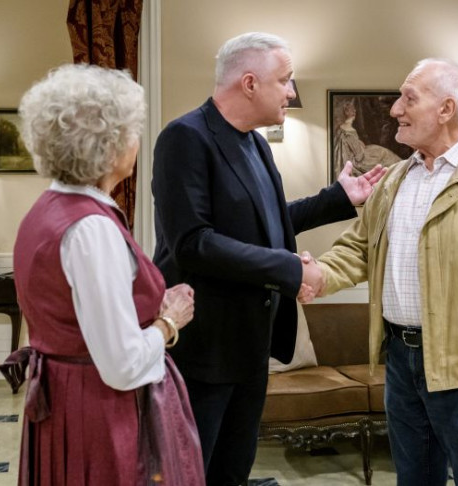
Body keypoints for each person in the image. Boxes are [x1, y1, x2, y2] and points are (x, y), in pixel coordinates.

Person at [303, 58, 458, 486]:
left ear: (445, 109)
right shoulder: (393, 180)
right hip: (401, 366)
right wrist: (318, 275)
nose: (395, 110)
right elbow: (360, 249)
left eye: (408, 98)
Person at [151, 32, 385, 486]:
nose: (292, 91)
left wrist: (338, 198)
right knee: (192, 474)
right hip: (205, 349)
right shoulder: (185, 138)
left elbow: (270, 222)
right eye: (286, 80)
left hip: (252, 348)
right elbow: (192, 242)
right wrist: (290, 270)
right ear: (250, 83)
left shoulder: (256, 144)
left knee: (234, 472)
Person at [0, 64, 205, 485]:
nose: (136, 142)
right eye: (132, 132)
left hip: (63, 401)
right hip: (97, 413)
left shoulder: (44, 211)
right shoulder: (91, 228)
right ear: (109, 147)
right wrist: (169, 321)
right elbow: (122, 365)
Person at [333, 98, 400, 177]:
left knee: (379, 150)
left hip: (357, 152)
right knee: (383, 153)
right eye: (352, 110)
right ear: (348, 113)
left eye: (354, 110)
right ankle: (400, 169)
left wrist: (360, 143)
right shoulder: (349, 130)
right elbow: (359, 156)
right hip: (360, 159)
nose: (355, 111)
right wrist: (362, 146)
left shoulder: (343, 128)